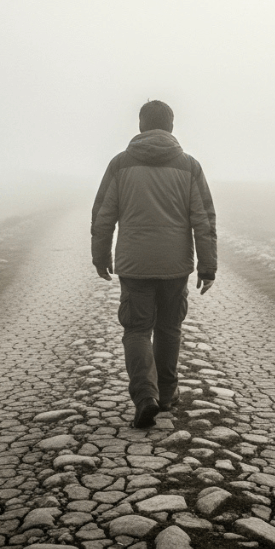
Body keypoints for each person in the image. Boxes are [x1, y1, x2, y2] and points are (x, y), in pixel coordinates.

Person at [91, 100, 217, 429]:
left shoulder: (119, 165)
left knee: (136, 330)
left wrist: (100, 256)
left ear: (141, 126)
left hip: (134, 265)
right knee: (168, 329)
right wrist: (208, 266)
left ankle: (145, 396)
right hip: (176, 265)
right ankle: (167, 393)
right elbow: (203, 220)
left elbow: (103, 217)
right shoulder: (190, 167)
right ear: (172, 127)